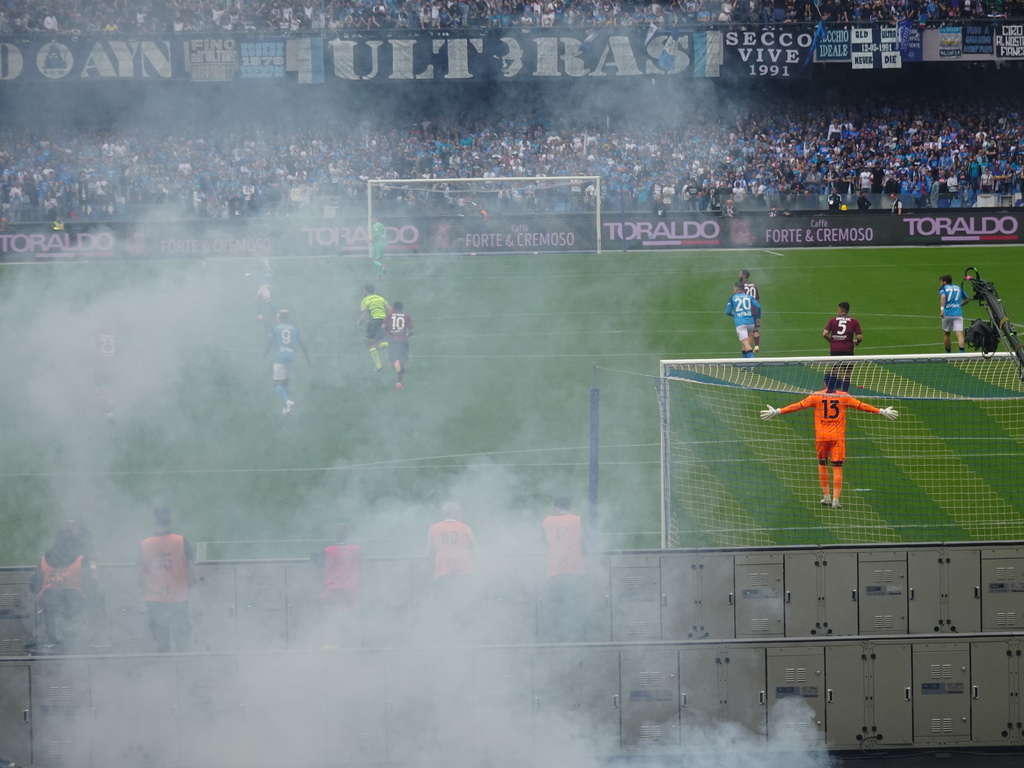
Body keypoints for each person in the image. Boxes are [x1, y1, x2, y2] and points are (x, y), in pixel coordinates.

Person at [760, 379, 899, 509]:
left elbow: (798, 406)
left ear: (825, 383)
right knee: (837, 467)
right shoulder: (844, 396)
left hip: (821, 437)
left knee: (822, 464)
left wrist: (778, 411)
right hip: (837, 437)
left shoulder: (816, 396)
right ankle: (836, 500)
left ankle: (826, 497)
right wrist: (881, 411)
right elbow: (861, 406)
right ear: (838, 384)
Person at [30, 521, 108, 652]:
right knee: (98, 598)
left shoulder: (44, 559)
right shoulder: (80, 560)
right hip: (76, 605)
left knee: (48, 600)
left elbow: (33, 587)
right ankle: (97, 639)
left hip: (51, 608)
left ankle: (50, 639)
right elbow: (91, 587)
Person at [137, 507, 195, 653]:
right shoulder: (181, 541)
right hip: (179, 597)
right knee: (182, 640)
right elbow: (192, 570)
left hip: (155, 598)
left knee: (161, 643)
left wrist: (145, 593)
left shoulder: (145, 544)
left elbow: (139, 575)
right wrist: (189, 587)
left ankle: (164, 672)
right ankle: (184, 672)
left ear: (154, 521)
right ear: (170, 520)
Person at [425, 502, 477, 638]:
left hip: (442, 573)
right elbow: (476, 552)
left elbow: (428, 553)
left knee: (444, 608)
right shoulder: (466, 529)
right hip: (464, 573)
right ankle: (466, 636)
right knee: (465, 607)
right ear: (457, 514)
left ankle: (447, 637)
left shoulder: (433, 529)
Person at [541, 497, 586, 642]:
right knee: (576, 608)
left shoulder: (547, 522)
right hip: (575, 569)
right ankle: (577, 639)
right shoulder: (578, 520)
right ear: (569, 507)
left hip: (555, 571)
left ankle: (559, 640)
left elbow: (542, 542)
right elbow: (586, 541)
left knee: (557, 609)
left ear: (555, 508)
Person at [315, 522, 361, 648]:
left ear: (335, 536)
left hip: (332, 592)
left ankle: (330, 644)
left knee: (328, 616)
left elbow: (317, 565)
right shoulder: (356, 550)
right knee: (350, 617)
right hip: (350, 592)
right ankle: (350, 644)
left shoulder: (328, 551)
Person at [264, 309, 310, 415]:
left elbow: (269, 343)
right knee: (285, 383)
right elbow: (302, 344)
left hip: (279, 359)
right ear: (288, 318)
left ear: (279, 318)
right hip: (290, 359)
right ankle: (285, 408)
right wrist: (307, 358)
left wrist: (264, 355)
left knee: (276, 384)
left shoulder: (275, 327)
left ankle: (287, 402)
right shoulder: (294, 328)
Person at [358, 284, 392, 373]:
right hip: (384, 322)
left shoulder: (365, 300)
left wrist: (360, 321)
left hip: (374, 322)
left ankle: (378, 366)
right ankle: (384, 344)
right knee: (380, 340)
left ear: (366, 290)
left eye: (363, 290)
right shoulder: (380, 298)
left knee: (371, 345)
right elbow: (390, 310)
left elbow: (363, 314)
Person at [726, 280, 761, 358]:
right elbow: (758, 306)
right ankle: (744, 365)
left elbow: (727, 312)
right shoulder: (749, 297)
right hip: (751, 323)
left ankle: (752, 362)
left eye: (734, 289)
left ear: (737, 289)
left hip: (741, 323)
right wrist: (758, 318)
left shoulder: (732, 297)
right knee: (745, 343)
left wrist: (734, 315)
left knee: (745, 343)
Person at [384, 301, 414, 389]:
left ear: (394, 308)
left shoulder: (389, 316)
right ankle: (399, 384)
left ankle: (395, 363)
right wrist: (407, 335)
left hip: (392, 341)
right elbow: (412, 331)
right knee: (402, 362)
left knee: (392, 363)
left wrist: (387, 334)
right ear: (402, 308)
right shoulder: (407, 316)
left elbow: (383, 327)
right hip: (403, 341)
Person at [939, 274, 970, 353]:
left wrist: (942, 310)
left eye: (941, 281)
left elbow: (943, 297)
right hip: (958, 314)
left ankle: (948, 353)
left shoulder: (943, 288)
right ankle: (961, 352)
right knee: (959, 334)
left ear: (944, 282)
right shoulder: (958, 288)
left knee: (947, 334)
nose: (941, 283)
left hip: (947, 314)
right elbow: (967, 299)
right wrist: (959, 305)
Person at [247, 256, 278, 322]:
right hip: (269, 282)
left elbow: (257, 271)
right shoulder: (268, 259)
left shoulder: (259, 261)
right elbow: (277, 268)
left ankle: (277, 315)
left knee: (268, 300)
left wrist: (249, 274)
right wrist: (271, 275)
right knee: (257, 298)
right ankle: (260, 315)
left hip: (263, 284)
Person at [738, 269, 761, 353]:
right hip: (754, 310)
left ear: (744, 275)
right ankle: (757, 345)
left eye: (740, 274)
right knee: (755, 330)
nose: (738, 275)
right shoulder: (754, 285)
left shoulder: (741, 285)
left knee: (745, 333)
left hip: (745, 311)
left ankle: (748, 351)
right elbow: (757, 299)